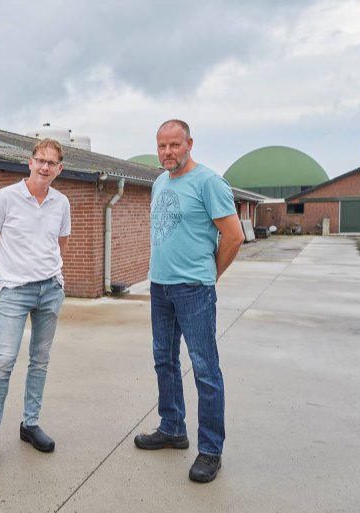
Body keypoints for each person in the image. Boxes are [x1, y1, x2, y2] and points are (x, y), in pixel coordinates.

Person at [134, 119, 243, 483]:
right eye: (162, 146)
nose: (168, 152)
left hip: (194, 289)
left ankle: (211, 450)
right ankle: (172, 427)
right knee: (163, 360)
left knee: (204, 368)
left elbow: (234, 236)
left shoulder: (209, 182)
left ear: (189, 144)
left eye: (175, 145)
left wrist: (209, 275)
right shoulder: (159, 182)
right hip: (160, 286)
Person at [0, 138, 71, 474]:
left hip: (50, 290)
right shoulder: (5, 198)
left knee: (40, 361)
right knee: (3, 361)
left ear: (59, 169)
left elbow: (60, 244)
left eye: (51, 163)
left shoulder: (61, 203)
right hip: (15, 291)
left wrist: (52, 279)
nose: (45, 167)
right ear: (29, 162)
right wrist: (5, 278)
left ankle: (30, 425)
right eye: (40, 160)